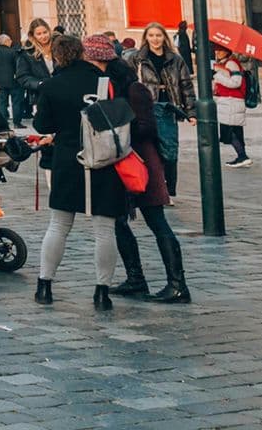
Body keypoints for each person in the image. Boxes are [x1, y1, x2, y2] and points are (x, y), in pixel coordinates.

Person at [32, 32, 130, 311]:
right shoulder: (105, 83)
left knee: (59, 225)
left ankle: (44, 285)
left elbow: (41, 125)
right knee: (104, 229)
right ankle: (102, 292)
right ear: (82, 53)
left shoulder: (51, 85)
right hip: (103, 159)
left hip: (67, 158)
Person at [108, 54, 191, 305]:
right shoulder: (116, 92)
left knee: (157, 222)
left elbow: (147, 127)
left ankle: (177, 284)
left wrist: (119, 128)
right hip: (124, 164)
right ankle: (135, 278)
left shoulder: (136, 91)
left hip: (145, 165)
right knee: (118, 221)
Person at [128, 23, 194, 195]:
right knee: (150, 150)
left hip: (168, 107)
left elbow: (186, 85)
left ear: (164, 37)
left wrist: (191, 112)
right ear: (146, 38)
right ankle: (155, 189)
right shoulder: (137, 59)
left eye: (158, 35)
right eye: (151, 36)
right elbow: (128, 83)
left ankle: (169, 190)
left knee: (170, 150)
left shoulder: (175, 59)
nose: (155, 39)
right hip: (146, 108)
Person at [212, 51, 252, 167]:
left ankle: (243, 156)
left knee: (229, 131)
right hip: (230, 101)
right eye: (217, 50)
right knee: (235, 131)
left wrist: (217, 75)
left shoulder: (231, 63)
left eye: (221, 50)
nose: (218, 52)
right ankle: (241, 156)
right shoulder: (226, 63)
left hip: (231, 101)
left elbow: (236, 82)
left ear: (227, 51)